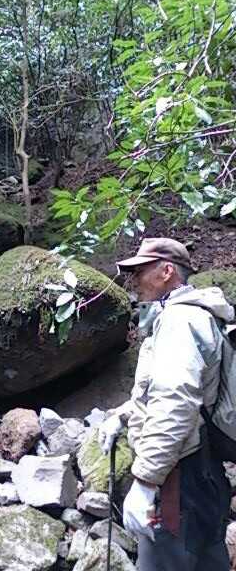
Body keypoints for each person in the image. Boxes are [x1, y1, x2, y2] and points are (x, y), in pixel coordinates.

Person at [98, 237, 234, 570]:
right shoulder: (199, 316)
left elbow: (175, 400)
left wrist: (146, 483)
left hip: (177, 481)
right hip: (205, 475)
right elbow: (182, 389)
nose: (133, 281)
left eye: (139, 271)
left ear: (167, 271)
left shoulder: (178, 321)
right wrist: (123, 415)